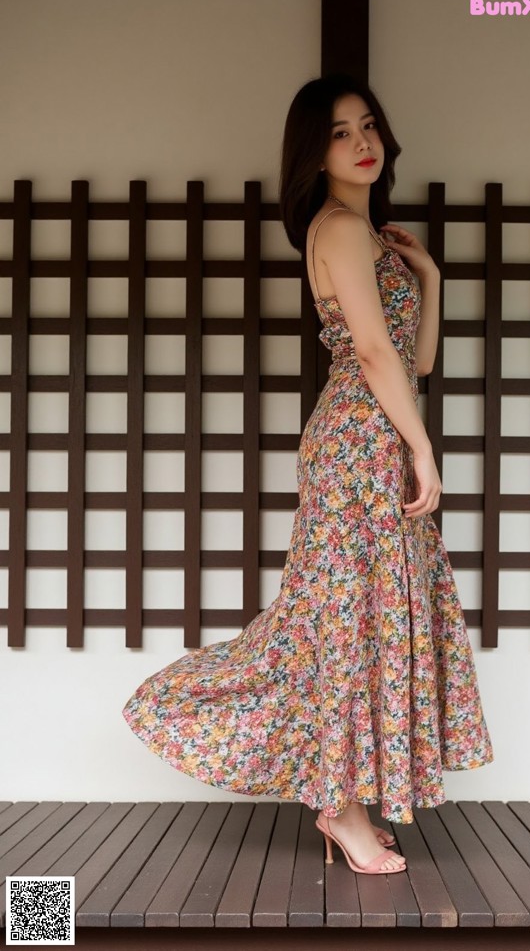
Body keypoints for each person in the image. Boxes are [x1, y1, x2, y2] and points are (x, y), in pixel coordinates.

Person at [122, 72, 494, 877]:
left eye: (369, 126)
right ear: (313, 152)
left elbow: (415, 359)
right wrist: (422, 448)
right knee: (340, 622)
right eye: (339, 132)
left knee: (361, 620)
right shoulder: (333, 228)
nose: (363, 143)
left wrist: (429, 279)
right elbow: (369, 353)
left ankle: (345, 799)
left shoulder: (365, 234)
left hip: (379, 434)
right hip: (362, 442)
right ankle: (340, 805)